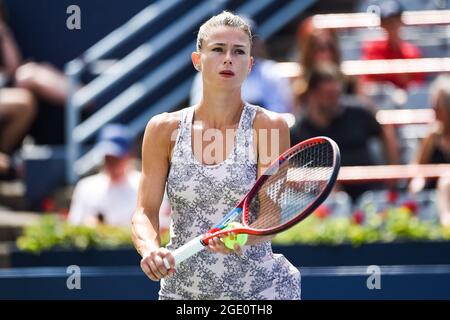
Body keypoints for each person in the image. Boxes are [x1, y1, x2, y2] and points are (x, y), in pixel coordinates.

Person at [132, 11, 300, 300]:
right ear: (197, 60)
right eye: (218, 49)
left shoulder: (270, 126)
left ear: (249, 65)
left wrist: (245, 234)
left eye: (238, 52)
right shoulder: (162, 129)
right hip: (182, 293)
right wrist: (150, 250)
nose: (228, 59)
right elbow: (144, 212)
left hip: (261, 292)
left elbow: (271, 212)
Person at [290, 64, 399, 200]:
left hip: (371, 191)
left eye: (338, 94)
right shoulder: (298, 130)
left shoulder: (359, 113)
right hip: (325, 201)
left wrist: (392, 169)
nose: (336, 100)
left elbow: (384, 131)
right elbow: (288, 169)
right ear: (313, 94)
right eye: (329, 95)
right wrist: (317, 182)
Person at [189, 18, 294, 114]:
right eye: (219, 49)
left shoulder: (270, 71)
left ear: (258, 44)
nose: (228, 58)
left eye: (239, 49)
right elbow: (200, 113)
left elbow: (280, 111)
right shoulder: (205, 75)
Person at [68, 124, 140, 227]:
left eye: (116, 157)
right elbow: (73, 226)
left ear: (129, 155)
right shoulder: (85, 187)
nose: (111, 162)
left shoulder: (143, 187)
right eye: (107, 156)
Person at [361, 0, 425, 89]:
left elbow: (416, 84)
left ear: (401, 21)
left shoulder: (412, 51)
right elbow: (369, 81)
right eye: (387, 21)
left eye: (395, 20)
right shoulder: (372, 49)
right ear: (382, 24)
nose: (392, 25)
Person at [409, 74, 450, 193]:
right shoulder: (432, 135)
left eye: (438, 107)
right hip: (432, 193)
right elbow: (417, 167)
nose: (434, 111)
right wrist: (418, 182)